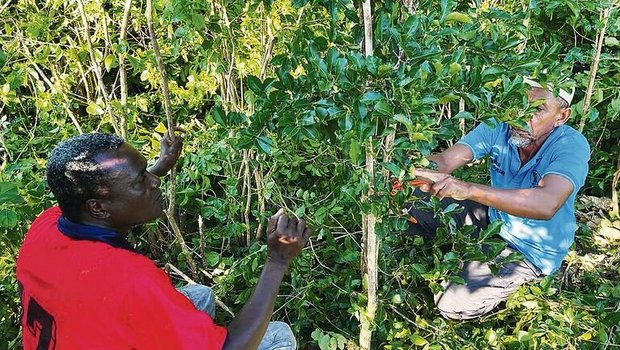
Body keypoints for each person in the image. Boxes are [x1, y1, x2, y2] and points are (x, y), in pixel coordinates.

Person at [16, 131, 310, 349]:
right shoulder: (129, 279)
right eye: (141, 179)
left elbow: (107, 196)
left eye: (146, 171)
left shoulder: (48, 224)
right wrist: (278, 260)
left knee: (200, 296)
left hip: (75, 331)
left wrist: (162, 166)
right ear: (98, 207)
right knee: (278, 337)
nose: (154, 182)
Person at [407, 78, 590, 320]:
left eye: (538, 109)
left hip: (530, 249)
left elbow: (547, 204)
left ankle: (517, 289)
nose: (521, 115)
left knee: (448, 302)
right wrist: (412, 170)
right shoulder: (499, 127)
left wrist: (469, 190)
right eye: (518, 103)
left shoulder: (570, 145)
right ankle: (474, 255)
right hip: (494, 219)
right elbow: (446, 160)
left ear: (561, 116)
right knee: (409, 198)